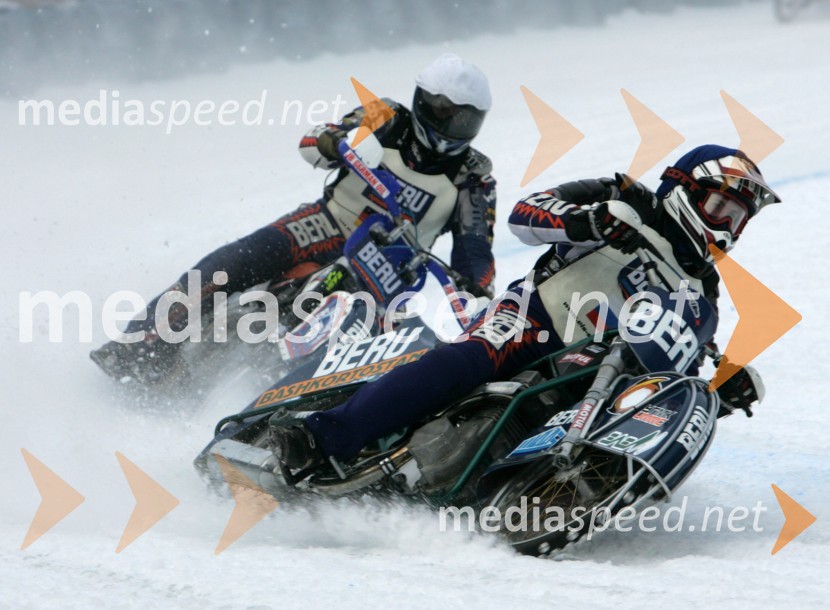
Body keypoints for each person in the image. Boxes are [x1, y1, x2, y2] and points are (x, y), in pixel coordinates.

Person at [273, 145, 779, 471]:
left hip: (597, 375)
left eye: (739, 220)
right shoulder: (626, 198)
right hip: (532, 320)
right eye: (722, 210)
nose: (728, 228)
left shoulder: (705, 291)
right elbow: (525, 214)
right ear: (686, 188)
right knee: (464, 361)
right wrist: (591, 223)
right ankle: (322, 437)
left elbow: (681, 357)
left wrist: (717, 387)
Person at [91, 53, 497, 383]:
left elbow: (475, 250)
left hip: (388, 273)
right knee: (232, 262)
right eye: (441, 111)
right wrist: (337, 142)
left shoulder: (473, 177)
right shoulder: (387, 116)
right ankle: (140, 345)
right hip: (327, 223)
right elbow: (316, 139)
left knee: (384, 361)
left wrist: (475, 290)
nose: (448, 126)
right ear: (421, 100)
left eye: (462, 119)